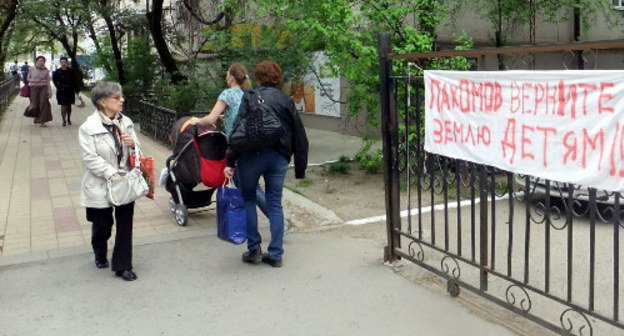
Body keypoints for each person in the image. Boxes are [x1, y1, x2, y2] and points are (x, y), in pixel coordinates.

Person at [224, 60, 308, 268]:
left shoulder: (250, 96)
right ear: (278, 77)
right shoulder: (285, 100)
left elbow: (237, 131)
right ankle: (276, 254)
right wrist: (300, 168)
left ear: (258, 76)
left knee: (249, 199)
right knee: (274, 203)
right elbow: (299, 134)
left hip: (251, 157)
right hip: (278, 158)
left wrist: (230, 161)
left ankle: (254, 249)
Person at [188, 63, 270, 218]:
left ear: (232, 78)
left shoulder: (227, 94)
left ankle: (276, 220)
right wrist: (227, 117)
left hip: (238, 146)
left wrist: (197, 120)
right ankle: (248, 221)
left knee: (250, 187)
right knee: (246, 184)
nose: (226, 77)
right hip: (254, 144)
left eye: (227, 74)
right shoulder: (250, 93)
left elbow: (211, 118)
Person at [78, 81, 139, 281]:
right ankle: (99, 250)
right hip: (100, 183)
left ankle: (123, 265)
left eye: (121, 96)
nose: (122, 100)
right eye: (116, 97)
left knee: (125, 224)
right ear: (103, 102)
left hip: (124, 181)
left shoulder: (126, 122)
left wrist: (133, 144)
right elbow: (89, 158)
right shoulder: (88, 127)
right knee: (102, 224)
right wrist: (111, 173)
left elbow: (137, 152)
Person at [24, 56, 52, 127]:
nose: (41, 62)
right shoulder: (31, 69)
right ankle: (35, 117)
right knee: (34, 104)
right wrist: (35, 80)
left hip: (43, 88)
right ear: (36, 61)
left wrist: (49, 91)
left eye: (43, 60)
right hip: (33, 88)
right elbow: (28, 78)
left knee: (43, 104)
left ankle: (42, 121)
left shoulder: (46, 70)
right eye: (40, 60)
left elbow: (48, 81)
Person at [52, 56, 79, 126]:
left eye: (64, 62)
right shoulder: (57, 72)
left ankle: (69, 119)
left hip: (70, 90)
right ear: (60, 63)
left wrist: (76, 90)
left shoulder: (71, 71)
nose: (63, 63)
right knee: (63, 105)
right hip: (61, 91)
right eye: (62, 62)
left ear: (67, 63)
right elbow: (54, 81)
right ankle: (63, 120)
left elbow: (75, 81)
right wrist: (58, 87)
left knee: (69, 105)